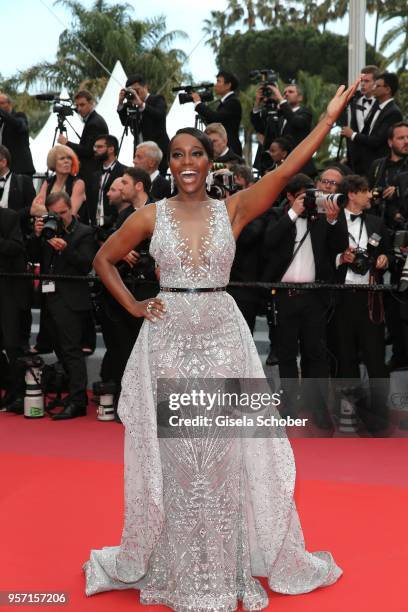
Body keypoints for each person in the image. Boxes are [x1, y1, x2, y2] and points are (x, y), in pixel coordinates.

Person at [84, 81, 357, 608]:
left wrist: (324, 121)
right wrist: (136, 306)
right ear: (170, 163)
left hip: (223, 339)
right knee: (179, 463)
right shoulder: (151, 215)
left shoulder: (231, 210)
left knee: (225, 460)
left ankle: (225, 570)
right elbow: (102, 260)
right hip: (167, 343)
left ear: (211, 162)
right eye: (178, 155)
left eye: (196, 155)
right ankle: (181, 571)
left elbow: (282, 172)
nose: (187, 162)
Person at [27, 192, 97, 420]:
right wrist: (37, 236)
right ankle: (74, 394)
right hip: (49, 300)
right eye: (54, 214)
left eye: (63, 213)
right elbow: (34, 257)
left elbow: (86, 265)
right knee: (59, 350)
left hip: (71, 301)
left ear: (71, 209)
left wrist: (65, 248)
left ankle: (78, 401)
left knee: (71, 351)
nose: (59, 217)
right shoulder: (48, 229)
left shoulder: (84, 232)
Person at [331, 174, 391, 433]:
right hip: (341, 298)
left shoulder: (377, 222)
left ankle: (378, 420)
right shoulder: (331, 223)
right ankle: (347, 415)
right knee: (345, 358)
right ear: (353, 194)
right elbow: (323, 256)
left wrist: (384, 260)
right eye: (365, 191)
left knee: (376, 358)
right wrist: (340, 258)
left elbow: (388, 254)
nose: (370, 195)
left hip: (370, 299)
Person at [341, 72, 403, 177]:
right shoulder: (377, 107)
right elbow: (367, 132)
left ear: (387, 90)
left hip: (379, 168)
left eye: (378, 86)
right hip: (364, 165)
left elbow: (377, 140)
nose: (374, 88)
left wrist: (353, 134)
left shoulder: (393, 112)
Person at [251, 82, 315, 176]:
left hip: (299, 167)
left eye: (291, 92)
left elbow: (296, 122)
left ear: (300, 97)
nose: (286, 94)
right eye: (284, 93)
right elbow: (260, 128)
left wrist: (280, 99)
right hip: (279, 166)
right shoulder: (280, 116)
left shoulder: (305, 113)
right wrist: (257, 104)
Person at [117, 74, 170, 175]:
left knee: (158, 180)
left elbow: (160, 115)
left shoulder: (157, 99)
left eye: (137, 90)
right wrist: (120, 103)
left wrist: (141, 104)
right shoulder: (131, 103)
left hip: (158, 150)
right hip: (139, 149)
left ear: (145, 87)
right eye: (132, 91)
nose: (135, 93)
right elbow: (125, 122)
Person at [58, 90, 108, 187]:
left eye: (82, 105)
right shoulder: (92, 120)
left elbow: (88, 150)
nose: (79, 109)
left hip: (91, 174)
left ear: (91, 104)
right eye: (77, 106)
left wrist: (66, 143)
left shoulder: (94, 123)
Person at [193, 70, 242, 156]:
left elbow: (215, 119)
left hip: (230, 152)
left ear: (228, 85)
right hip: (224, 150)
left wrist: (198, 104)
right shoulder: (226, 102)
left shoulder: (233, 102)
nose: (215, 84)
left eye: (218, 81)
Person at [31, 145, 86, 218]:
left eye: (69, 158)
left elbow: (70, 214)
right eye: (62, 158)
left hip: (73, 229)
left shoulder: (78, 183)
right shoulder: (48, 183)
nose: (67, 161)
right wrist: (61, 213)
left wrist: (44, 212)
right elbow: (33, 210)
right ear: (53, 162)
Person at [343, 65, 379, 175]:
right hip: (355, 162)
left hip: (375, 160)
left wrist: (352, 134)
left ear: (376, 83)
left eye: (367, 81)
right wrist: (348, 157)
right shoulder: (354, 101)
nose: (363, 84)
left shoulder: (381, 104)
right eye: (362, 81)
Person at [85, 134, 125, 226]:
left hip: (117, 226)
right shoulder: (94, 174)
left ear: (111, 149)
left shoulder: (125, 172)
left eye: (99, 147)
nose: (95, 149)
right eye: (95, 147)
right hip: (94, 227)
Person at [0, 92, 35, 176]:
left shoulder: (20, 116)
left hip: (21, 169)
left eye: (1, 103)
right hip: (6, 169)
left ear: (9, 104)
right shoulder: (1, 122)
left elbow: (18, 125)